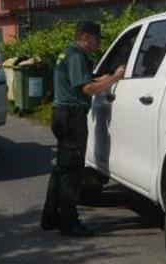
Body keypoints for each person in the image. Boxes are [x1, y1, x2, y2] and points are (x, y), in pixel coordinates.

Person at [41, 22, 125, 236]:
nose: (97, 44)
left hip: (61, 115)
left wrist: (103, 79)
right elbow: (87, 89)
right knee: (71, 173)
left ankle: (50, 217)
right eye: (96, 39)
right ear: (85, 37)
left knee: (62, 169)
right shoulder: (77, 56)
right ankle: (70, 223)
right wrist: (115, 78)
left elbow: (83, 81)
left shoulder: (67, 54)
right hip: (72, 119)